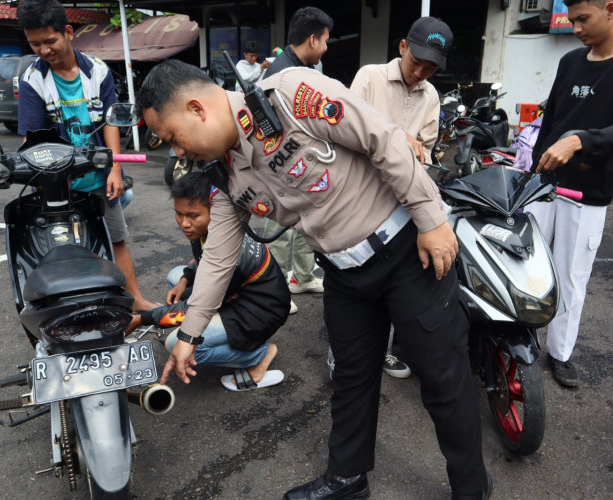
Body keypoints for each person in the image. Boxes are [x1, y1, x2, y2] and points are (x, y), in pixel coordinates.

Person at [138, 60, 490, 499]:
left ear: (196, 108)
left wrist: (431, 217)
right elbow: (218, 256)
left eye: (173, 137)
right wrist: (190, 332)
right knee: (351, 379)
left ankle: (471, 488)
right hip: (344, 276)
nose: (177, 152)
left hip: (405, 253)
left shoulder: (289, 94)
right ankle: (348, 479)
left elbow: (381, 138)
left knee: (441, 376)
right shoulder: (222, 173)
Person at [526, 0, 613, 388]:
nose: (576, 27)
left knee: (570, 276)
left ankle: (560, 353)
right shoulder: (569, 62)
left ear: (612, 10)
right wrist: (535, 166)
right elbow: (551, 121)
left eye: (583, 18)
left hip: (588, 193)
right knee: (528, 266)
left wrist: (580, 141)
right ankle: (519, 340)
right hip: (544, 184)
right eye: (571, 20)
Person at [15, 0, 155, 312]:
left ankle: (136, 300)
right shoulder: (32, 82)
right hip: (56, 184)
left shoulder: (98, 72)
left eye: (50, 41)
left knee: (116, 239)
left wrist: (115, 169)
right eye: (34, 44)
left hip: (98, 177)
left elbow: (110, 124)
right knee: (60, 249)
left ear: (67, 32)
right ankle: (68, 310)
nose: (43, 50)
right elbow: (32, 140)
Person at [345, 16, 453, 379]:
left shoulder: (431, 96)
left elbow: (428, 146)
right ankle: (342, 359)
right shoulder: (369, 77)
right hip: (359, 199)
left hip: (402, 203)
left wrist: (418, 149)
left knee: (396, 280)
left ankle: (385, 350)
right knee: (356, 281)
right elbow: (343, 132)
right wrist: (395, 138)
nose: (420, 72)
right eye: (416, 62)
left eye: (430, 68)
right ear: (402, 47)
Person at [126, 172, 289, 391]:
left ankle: (257, 354)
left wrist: (142, 319)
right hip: (240, 294)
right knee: (175, 275)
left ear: (217, 211)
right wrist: (185, 279)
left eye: (193, 215)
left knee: (175, 342)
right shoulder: (212, 231)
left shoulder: (233, 254)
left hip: (259, 312)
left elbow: (201, 304)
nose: (185, 223)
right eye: (179, 214)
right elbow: (206, 260)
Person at [262, 6, 334, 314]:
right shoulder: (281, 73)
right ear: (313, 39)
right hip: (283, 167)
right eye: (327, 40)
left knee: (308, 225)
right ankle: (276, 290)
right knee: (280, 227)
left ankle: (303, 277)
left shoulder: (304, 68)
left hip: (308, 165)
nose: (328, 47)